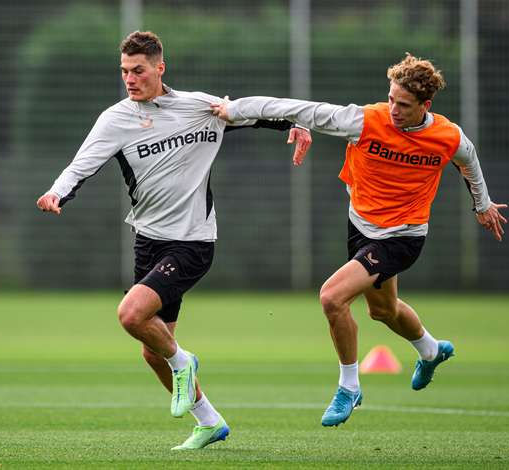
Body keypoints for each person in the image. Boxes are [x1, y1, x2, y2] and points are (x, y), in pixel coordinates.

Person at [36, 31, 313, 449]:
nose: (130, 79)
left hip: (193, 241)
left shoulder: (197, 107)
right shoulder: (115, 119)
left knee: (131, 316)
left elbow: (248, 114)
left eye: (139, 70)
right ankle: (209, 421)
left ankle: (184, 364)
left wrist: (296, 124)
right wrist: (57, 191)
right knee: (152, 349)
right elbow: (81, 164)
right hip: (148, 242)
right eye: (125, 71)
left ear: (160, 68)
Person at [211, 53, 508, 427]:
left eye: (403, 105)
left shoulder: (447, 136)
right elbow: (296, 108)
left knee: (332, 297)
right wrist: (234, 109)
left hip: (403, 237)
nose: (394, 110)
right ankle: (432, 351)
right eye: (391, 99)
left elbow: (469, 158)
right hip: (361, 228)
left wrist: (482, 204)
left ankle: (349, 387)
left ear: (425, 106)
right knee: (383, 310)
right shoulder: (365, 121)